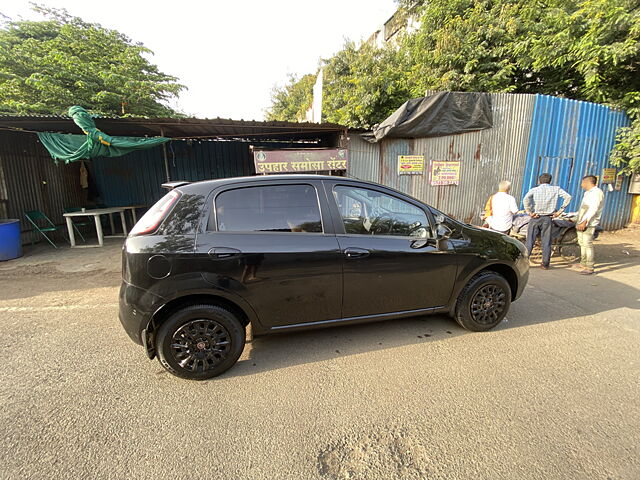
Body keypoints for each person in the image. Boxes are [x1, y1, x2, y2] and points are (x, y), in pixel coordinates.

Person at [523, 173, 572, 269]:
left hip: (535, 217)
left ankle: (524, 262)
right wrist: (560, 211)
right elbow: (568, 197)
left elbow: (525, 199)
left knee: (530, 241)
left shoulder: (535, 190)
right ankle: (545, 264)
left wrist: (529, 212)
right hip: (548, 218)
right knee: (546, 241)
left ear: (539, 181)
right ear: (550, 181)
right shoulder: (556, 189)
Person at [573, 175, 604, 275]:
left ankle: (590, 267)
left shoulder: (597, 193)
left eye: (582, 183)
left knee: (587, 244)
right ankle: (583, 263)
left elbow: (593, 208)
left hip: (588, 223)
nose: (581, 185)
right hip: (581, 221)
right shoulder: (587, 193)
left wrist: (585, 221)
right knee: (582, 243)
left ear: (587, 182)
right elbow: (583, 208)